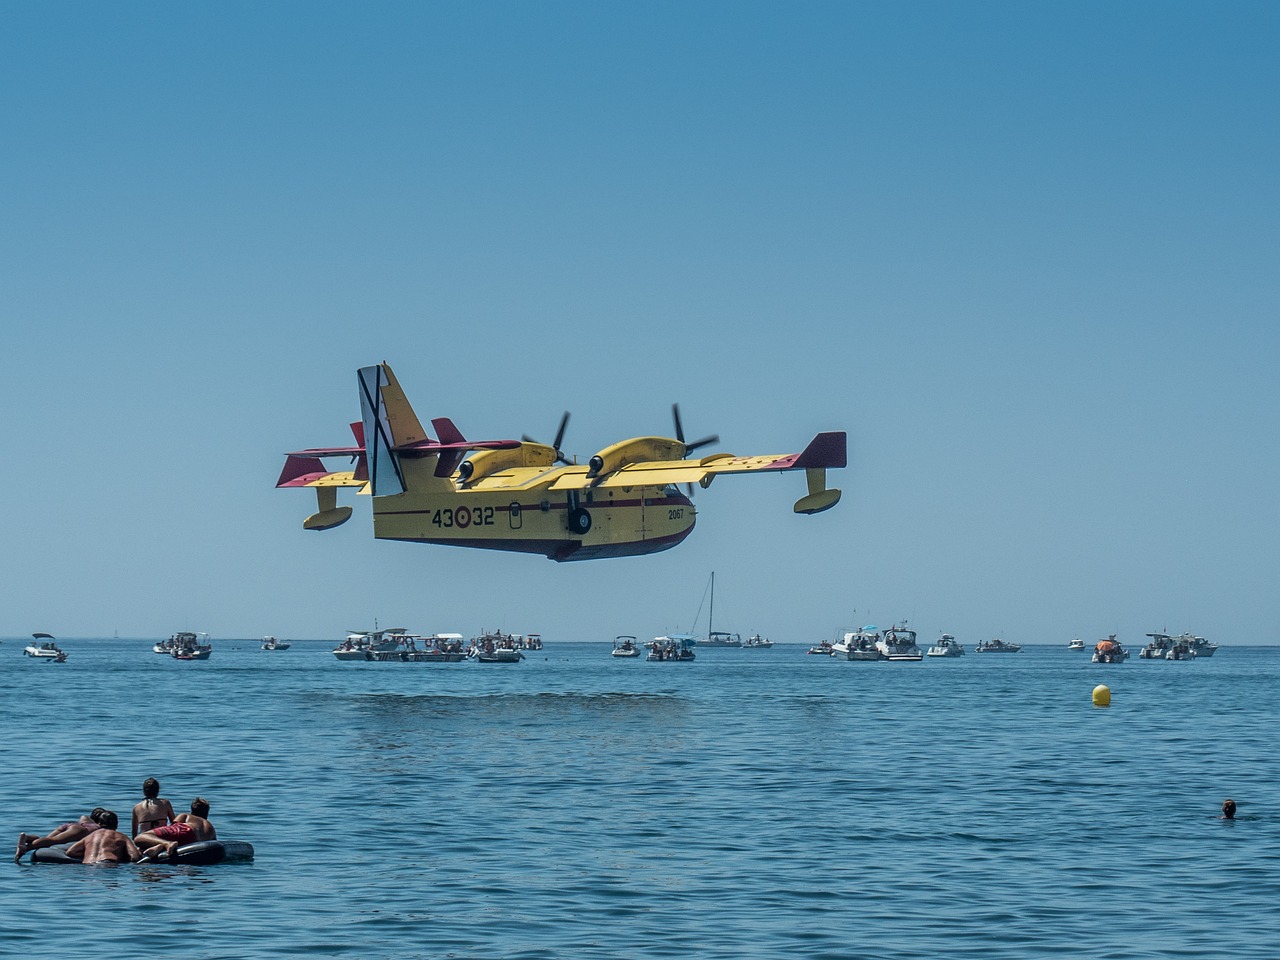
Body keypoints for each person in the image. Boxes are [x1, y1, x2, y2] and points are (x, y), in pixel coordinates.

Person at [135, 797, 216, 861]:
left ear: (192, 810)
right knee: (177, 841)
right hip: (193, 841)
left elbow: (173, 827)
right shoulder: (210, 827)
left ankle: (166, 844)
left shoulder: (186, 816)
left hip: (186, 830)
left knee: (140, 838)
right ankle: (161, 846)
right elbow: (214, 844)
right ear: (207, 813)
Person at [15, 808, 109, 862]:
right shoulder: (99, 827)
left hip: (69, 825)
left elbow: (82, 817)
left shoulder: (86, 819)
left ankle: (27, 838)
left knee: (48, 840)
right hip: (79, 830)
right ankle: (25, 849)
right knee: (54, 841)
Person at [65, 810, 141, 864]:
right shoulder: (121, 836)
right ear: (117, 824)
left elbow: (70, 852)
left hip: (88, 865)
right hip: (108, 863)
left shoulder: (90, 836)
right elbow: (135, 857)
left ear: (99, 824)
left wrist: (87, 852)